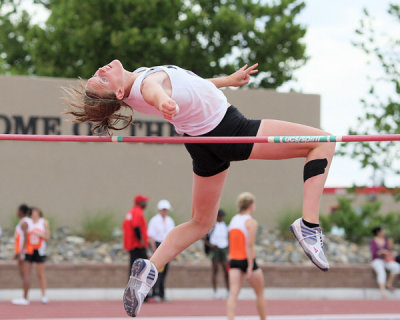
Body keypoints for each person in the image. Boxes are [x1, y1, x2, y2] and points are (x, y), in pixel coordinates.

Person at [64, 60, 335, 317]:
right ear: (120, 91)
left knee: (201, 223)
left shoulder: (135, 84)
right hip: (229, 130)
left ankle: (151, 267)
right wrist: (164, 102)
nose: (101, 69)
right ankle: (309, 225)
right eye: (102, 78)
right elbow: (155, 90)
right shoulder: (145, 84)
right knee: (322, 142)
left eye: (97, 74)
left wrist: (227, 81)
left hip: (200, 141)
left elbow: (190, 86)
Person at [227, 192, 265, 320]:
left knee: (233, 294)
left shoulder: (233, 220)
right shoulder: (251, 222)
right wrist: (249, 266)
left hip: (234, 260)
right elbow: (249, 245)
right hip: (247, 260)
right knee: (259, 293)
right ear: (251, 205)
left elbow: (232, 242)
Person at [147, 199, 175, 301]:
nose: (164, 211)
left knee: (165, 271)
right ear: (159, 210)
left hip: (167, 245)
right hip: (158, 245)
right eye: (163, 209)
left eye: (166, 209)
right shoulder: (154, 220)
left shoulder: (170, 220)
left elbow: (173, 236)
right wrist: (155, 251)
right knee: (156, 271)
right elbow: (151, 237)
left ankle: (162, 293)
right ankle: (155, 293)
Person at [23, 207, 50, 304]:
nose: (32, 213)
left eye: (33, 211)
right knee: (26, 274)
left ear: (38, 212)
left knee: (40, 274)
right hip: (29, 250)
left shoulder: (44, 222)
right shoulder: (28, 222)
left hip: (39, 250)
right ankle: (25, 297)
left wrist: (39, 234)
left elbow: (47, 237)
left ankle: (44, 296)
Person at [203, 209, 229, 299]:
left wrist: (228, 247)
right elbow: (204, 237)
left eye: (222, 216)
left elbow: (228, 237)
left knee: (226, 270)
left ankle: (228, 291)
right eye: (220, 216)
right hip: (215, 249)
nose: (221, 218)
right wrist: (211, 245)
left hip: (224, 249)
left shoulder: (225, 226)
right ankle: (215, 292)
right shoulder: (212, 226)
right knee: (215, 270)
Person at [122, 194, 150, 276]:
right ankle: (141, 286)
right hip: (137, 245)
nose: (146, 203)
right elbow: (136, 226)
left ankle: (131, 285)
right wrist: (141, 239)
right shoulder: (138, 212)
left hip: (131, 244)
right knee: (145, 266)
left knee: (133, 266)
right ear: (140, 203)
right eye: (144, 202)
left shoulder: (131, 212)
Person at [370, 226, 400, 298]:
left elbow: (389, 250)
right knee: (381, 272)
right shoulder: (373, 241)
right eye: (383, 231)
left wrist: (390, 244)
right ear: (378, 232)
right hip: (376, 260)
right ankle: (383, 291)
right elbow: (374, 252)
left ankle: (389, 283)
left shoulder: (385, 239)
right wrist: (381, 251)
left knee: (397, 267)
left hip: (386, 260)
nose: (384, 232)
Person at [11, 204, 32, 305]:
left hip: (24, 252)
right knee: (23, 274)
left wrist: (21, 252)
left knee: (25, 274)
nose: (17, 212)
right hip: (21, 251)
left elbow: (25, 238)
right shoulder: (24, 222)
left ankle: (25, 298)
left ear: (22, 212)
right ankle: (24, 297)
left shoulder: (25, 223)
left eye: (18, 211)